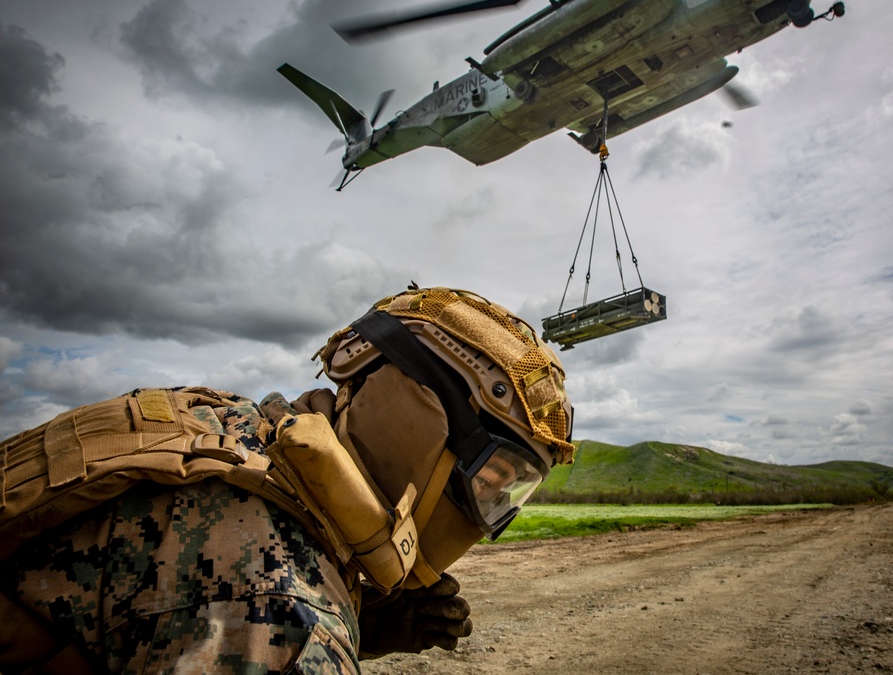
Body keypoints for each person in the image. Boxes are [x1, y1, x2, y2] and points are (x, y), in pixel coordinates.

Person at [0, 286, 574, 674]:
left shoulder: (230, 432)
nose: (490, 509)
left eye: (511, 494)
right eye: (491, 480)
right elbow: (245, 601)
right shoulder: (276, 602)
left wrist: (353, 615)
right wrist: (312, 625)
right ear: (418, 420)